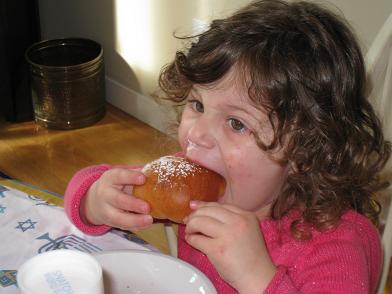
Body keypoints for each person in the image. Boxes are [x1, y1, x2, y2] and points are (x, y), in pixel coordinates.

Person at [64, 0, 391, 292]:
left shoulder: (339, 246)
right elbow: (91, 190)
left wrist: (258, 279)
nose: (197, 135)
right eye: (198, 105)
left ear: (306, 150)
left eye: (237, 123)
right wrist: (95, 199)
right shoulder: (196, 185)